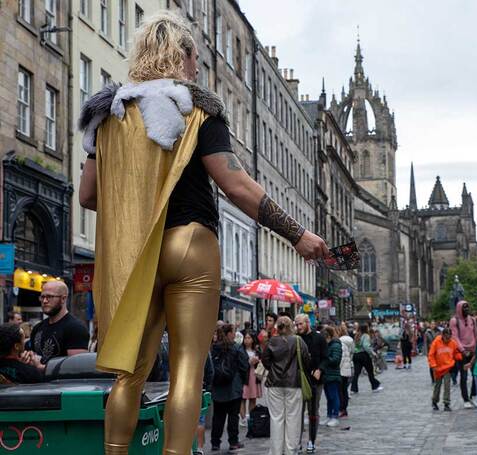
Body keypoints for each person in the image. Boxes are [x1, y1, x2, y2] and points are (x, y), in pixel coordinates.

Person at [78, 11, 328, 454]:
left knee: (129, 374)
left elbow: (88, 196)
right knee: (188, 368)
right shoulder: (197, 109)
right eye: (194, 58)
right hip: (192, 243)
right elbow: (235, 186)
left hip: (138, 255)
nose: (196, 68)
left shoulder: (107, 115)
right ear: (183, 56)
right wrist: (297, 234)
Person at [262, 316, 310, 455]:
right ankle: (290, 450)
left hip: (274, 383)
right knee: (293, 418)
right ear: (291, 326)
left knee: (276, 419)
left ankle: (276, 451)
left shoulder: (272, 341)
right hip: (293, 383)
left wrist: (274, 369)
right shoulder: (298, 340)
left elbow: (265, 360)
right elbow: (307, 360)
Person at [210, 324, 249, 452]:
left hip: (218, 388)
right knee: (233, 415)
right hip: (234, 387)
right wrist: (244, 380)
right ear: (229, 334)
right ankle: (233, 441)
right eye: (233, 332)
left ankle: (215, 442)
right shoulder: (236, 348)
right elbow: (244, 365)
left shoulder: (214, 348)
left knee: (218, 416)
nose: (235, 334)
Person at [31, 281, 89, 364]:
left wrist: (44, 369)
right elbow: (34, 356)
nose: (44, 301)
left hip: (60, 377)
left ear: (63, 299)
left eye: (49, 296)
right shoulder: (37, 328)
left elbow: (77, 367)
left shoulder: (76, 328)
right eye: (42, 297)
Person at [295, 314, 327, 454]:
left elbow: (326, 357)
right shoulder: (296, 339)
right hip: (300, 380)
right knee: (298, 413)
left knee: (313, 411)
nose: (298, 327)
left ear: (308, 323)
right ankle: (298, 441)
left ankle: (311, 441)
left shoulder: (319, 338)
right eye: (296, 325)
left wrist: (320, 369)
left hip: (316, 381)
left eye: (300, 324)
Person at [449, 300, 477, 408]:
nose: (466, 309)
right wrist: (462, 350)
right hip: (462, 352)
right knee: (464, 376)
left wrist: (475, 347)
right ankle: (465, 399)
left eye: (467, 307)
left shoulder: (473, 320)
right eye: (464, 308)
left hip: (472, 350)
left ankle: (474, 395)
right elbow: (455, 336)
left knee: (476, 374)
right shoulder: (454, 320)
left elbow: (475, 334)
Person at [428, 327, 462, 412]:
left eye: (449, 337)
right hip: (437, 368)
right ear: (442, 335)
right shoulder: (436, 342)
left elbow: (456, 352)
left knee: (447, 385)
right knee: (437, 386)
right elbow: (431, 355)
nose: (448, 340)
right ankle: (434, 401)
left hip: (448, 367)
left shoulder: (453, 343)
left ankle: (446, 403)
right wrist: (433, 365)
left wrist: (459, 357)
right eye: (446, 337)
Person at [351, 324, 383, 394]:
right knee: (370, 371)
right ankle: (375, 386)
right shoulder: (366, 336)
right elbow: (366, 346)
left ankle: (353, 389)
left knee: (356, 373)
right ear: (366, 329)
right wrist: (373, 353)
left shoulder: (357, 335)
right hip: (364, 355)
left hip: (356, 355)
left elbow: (353, 346)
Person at [320, 326, 342, 427]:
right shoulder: (328, 345)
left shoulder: (336, 345)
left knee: (334, 396)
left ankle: (335, 416)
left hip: (333, 374)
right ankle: (329, 415)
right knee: (329, 397)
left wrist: (325, 358)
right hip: (326, 374)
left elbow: (335, 360)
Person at [240, 331, 263, 429]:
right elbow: (239, 364)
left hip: (254, 375)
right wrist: (248, 362)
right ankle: (243, 418)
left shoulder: (257, 351)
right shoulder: (241, 350)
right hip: (245, 376)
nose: (247, 340)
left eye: (249, 338)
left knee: (253, 397)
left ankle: (252, 417)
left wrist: (258, 361)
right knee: (243, 398)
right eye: (245, 338)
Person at [194, 348, 214, 455]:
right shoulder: (203, 350)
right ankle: (199, 448)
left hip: (185, 390)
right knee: (199, 420)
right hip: (199, 389)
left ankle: (196, 447)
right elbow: (210, 372)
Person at [338, 324, 354, 418]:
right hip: (349, 366)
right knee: (344, 390)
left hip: (341, 369)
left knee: (340, 390)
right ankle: (344, 409)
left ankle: (342, 409)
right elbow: (352, 352)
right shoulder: (350, 340)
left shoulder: (340, 342)